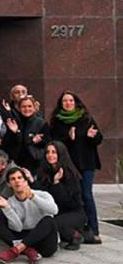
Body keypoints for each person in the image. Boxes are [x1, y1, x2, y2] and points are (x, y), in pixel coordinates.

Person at [48, 91, 103, 244]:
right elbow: (55, 144)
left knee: (86, 194)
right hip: (69, 165)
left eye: (71, 101)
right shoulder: (57, 121)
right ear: (61, 104)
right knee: (73, 197)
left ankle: (94, 229)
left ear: (76, 102)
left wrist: (93, 137)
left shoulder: (86, 118)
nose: (68, 103)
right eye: (65, 101)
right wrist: (68, 138)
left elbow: (99, 139)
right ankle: (76, 229)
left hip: (86, 164)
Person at [0, 167, 59, 264]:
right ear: (9, 184)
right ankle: (27, 250)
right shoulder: (10, 201)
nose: (17, 181)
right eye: (13, 179)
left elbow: (54, 210)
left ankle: (17, 249)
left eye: (20, 178)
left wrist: (33, 197)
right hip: (25, 237)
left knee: (49, 220)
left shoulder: (42, 195)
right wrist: (6, 207)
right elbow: (18, 228)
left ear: (26, 181)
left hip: (44, 241)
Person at [34, 141, 87, 250]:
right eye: (48, 152)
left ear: (60, 154)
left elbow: (68, 202)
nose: (50, 155)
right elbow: (41, 193)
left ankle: (76, 236)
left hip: (73, 212)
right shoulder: (44, 171)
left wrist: (56, 183)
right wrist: (31, 180)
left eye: (54, 152)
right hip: (55, 211)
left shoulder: (70, 174)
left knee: (53, 224)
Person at [17, 96, 47, 172]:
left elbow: (47, 142)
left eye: (29, 106)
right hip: (18, 161)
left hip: (35, 162)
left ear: (34, 108)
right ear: (19, 108)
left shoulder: (41, 123)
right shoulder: (15, 122)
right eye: (23, 106)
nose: (27, 109)